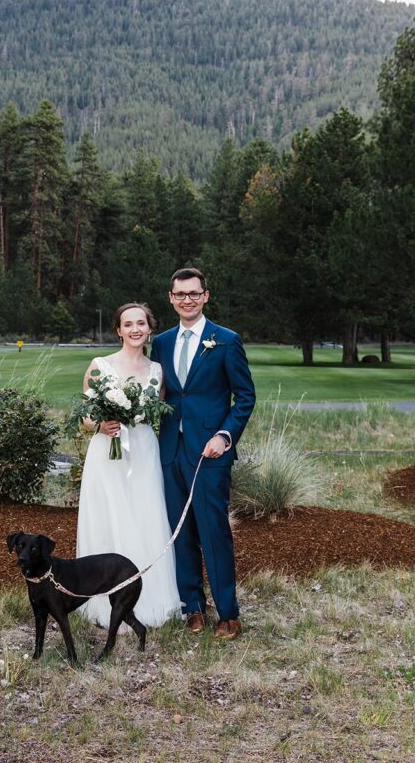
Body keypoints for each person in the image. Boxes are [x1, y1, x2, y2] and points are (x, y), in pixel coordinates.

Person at [150, 268, 255, 640]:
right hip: (170, 452)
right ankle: (193, 607)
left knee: (213, 532)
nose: (187, 300)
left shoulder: (225, 341)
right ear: (171, 298)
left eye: (194, 294)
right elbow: (161, 394)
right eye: (180, 294)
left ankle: (229, 613)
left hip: (210, 454)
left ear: (206, 296)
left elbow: (245, 397)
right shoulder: (161, 342)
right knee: (180, 533)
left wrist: (225, 436)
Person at [76, 302, 182, 628]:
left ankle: (151, 600)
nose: (135, 329)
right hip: (107, 452)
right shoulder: (99, 365)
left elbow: (158, 412)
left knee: (145, 516)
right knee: (110, 518)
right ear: (118, 330)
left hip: (144, 451)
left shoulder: (157, 371)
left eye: (141, 323)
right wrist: (101, 425)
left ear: (150, 329)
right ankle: (104, 601)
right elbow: (84, 418)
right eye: (128, 324)